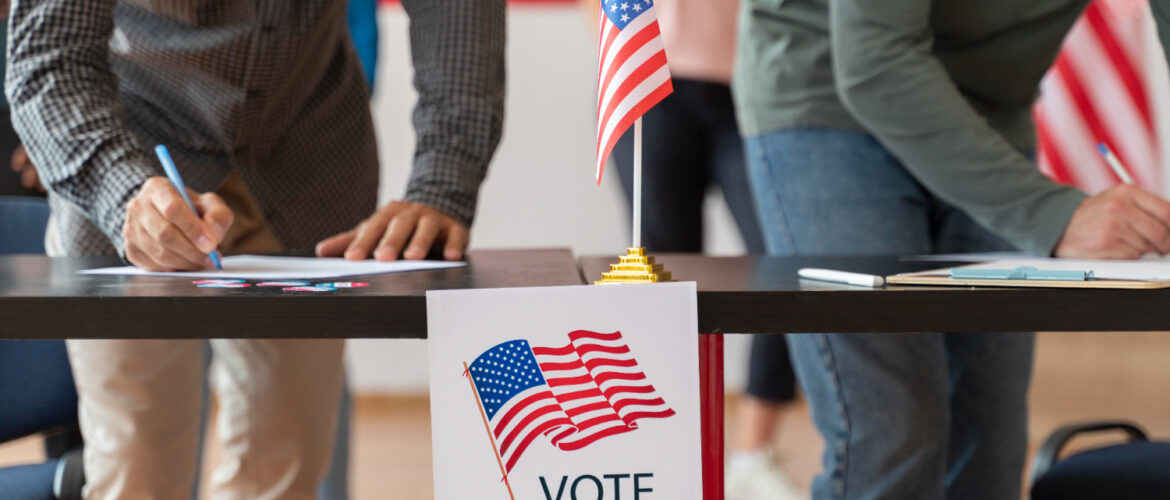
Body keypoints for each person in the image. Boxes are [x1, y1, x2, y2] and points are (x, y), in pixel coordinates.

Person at [6, 1, 503, 499]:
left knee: (284, 468)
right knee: (136, 465)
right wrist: (121, 191)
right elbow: (49, 55)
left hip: (309, 150)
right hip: (132, 148)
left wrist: (442, 184)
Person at [734, 0, 1170, 498]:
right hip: (831, 94)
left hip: (990, 110)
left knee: (989, 434)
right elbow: (875, 60)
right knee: (894, 431)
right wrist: (1052, 214)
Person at [603, 1, 802, 498]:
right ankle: (670, 458)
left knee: (787, 266)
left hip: (759, 81)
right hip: (651, 76)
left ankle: (752, 455)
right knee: (662, 277)